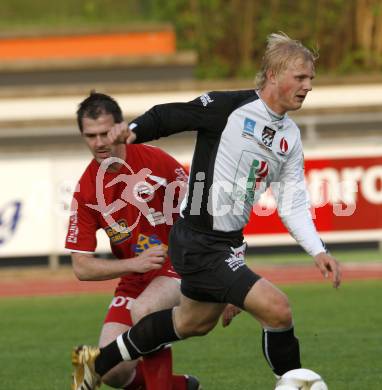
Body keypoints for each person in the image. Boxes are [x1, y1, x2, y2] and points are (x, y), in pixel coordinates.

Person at [72, 33, 342, 389]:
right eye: (301, 77)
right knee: (278, 309)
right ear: (274, 75)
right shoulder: (229, 108)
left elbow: (292, 202)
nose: (308, 86)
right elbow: (173, 115)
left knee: (191, 323)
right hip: (199, 241)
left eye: (311, 80)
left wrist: (317, 249)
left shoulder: (289, 136)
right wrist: (133, 131)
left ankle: (95, 365)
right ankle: (293, 383)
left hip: (225, 243)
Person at [66, 92, 203, 390]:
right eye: (91, 136)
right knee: (113, 372)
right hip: (135, 278)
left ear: (120, 127)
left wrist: (223, 276)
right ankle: (182, 386)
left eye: (106, 133)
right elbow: (81, 267)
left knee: (145, 311)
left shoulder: (157, 162)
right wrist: (134, 264)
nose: (100, 142)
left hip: (178, 266)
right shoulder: (86, 191)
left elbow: (204, 212)